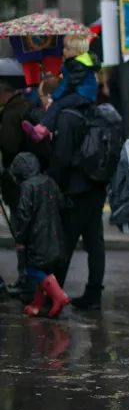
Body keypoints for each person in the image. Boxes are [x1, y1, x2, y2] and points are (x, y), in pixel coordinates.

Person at [48, 74, 108, 310]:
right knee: (95, 243)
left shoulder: (67, 116)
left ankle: (55, 292)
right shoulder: (96, 111)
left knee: (66, 242)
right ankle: (94, 293)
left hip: (75, 190)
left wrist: (51, 182)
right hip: (97, 187)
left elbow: (61, 158)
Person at [11, 153, 69, 318]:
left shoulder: (28, 187)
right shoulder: (49, 181)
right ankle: (37, 305)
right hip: (55, 235)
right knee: (43, 269)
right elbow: (61, 203)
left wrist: (20, 238)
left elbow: (23, 215)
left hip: (37, 238)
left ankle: (58, 295)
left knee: (32, 269)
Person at [0, 79, 42, 300]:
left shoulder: (10, 113)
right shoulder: (26, 106)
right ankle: (31, 278)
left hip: (16, 182)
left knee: (21, 232)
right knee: (29, 230)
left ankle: (26, 279)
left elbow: (8, 144)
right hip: (31, 177)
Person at [22, 34, 99, 142]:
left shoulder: (76, 65)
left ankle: (41, 130)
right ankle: (43, 129)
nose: (64, 51)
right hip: (83, 93)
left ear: (79, 52)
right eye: (64, 47)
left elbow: (67, 84)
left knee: (57, 104)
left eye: (68, 49)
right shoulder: (80, 62)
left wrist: (55, 97)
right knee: (58, 105)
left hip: (83, 95)